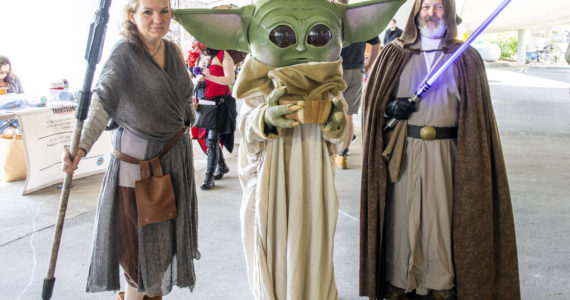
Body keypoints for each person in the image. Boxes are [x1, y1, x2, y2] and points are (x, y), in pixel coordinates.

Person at [359, 0, 520, 299]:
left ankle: (440, 285)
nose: (431, 13)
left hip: (449, 154)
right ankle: (400, 282)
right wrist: (389, 107)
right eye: (425, 6)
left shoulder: (465, 58)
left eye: (438, 6)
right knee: (401, 223)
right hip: (404, 152)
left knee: (441, 223)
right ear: (415, 13)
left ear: (448, 11)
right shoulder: (394, 54)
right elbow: (371, 105)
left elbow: (478, 119)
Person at [62, 0, 199, 299]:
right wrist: (81, 147)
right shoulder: (123, 55)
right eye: (148, 12)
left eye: (164, 11)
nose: (157, 19)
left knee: (163, 249)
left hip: (173, 162)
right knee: (137, 253)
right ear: (132, 15)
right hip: (139, 169)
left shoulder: (173, 52)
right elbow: (101, 103)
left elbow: (186, 99)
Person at [335, 0, 380, 168]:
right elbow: (376, 43)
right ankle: (343, 153)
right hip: (356, 70)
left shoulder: (332, 17)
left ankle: (335, 150)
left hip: (335, 70)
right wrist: (368, 65)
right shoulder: (361, 19)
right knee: (348, 115)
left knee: (332, 112)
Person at [195, 46, 236, 190]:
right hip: (206, 104)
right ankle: (222, 166)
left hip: (220, 105)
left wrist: (209, 76)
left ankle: (209, 178)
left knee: (212, 140)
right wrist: (199, 78)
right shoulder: (205, 56)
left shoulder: (224, 55)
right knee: (208, 139)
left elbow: (230, 79)